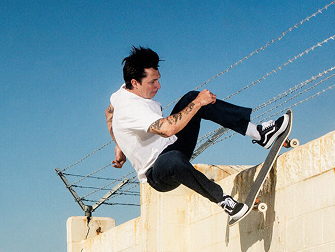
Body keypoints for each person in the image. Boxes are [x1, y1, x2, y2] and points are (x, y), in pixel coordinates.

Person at [105, 46, 289, 223]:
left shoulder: (122, 92)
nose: (158, 86)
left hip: (173, 144)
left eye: (158, 79)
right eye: (152, 82)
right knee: (174, 156)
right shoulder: (132, 109)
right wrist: (200, 102)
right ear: (135, 83)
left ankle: (259, 133)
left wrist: (120, 142)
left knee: (191, 98)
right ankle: (224, 201)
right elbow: (167, 128)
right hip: (158, 172)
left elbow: (110, 113)